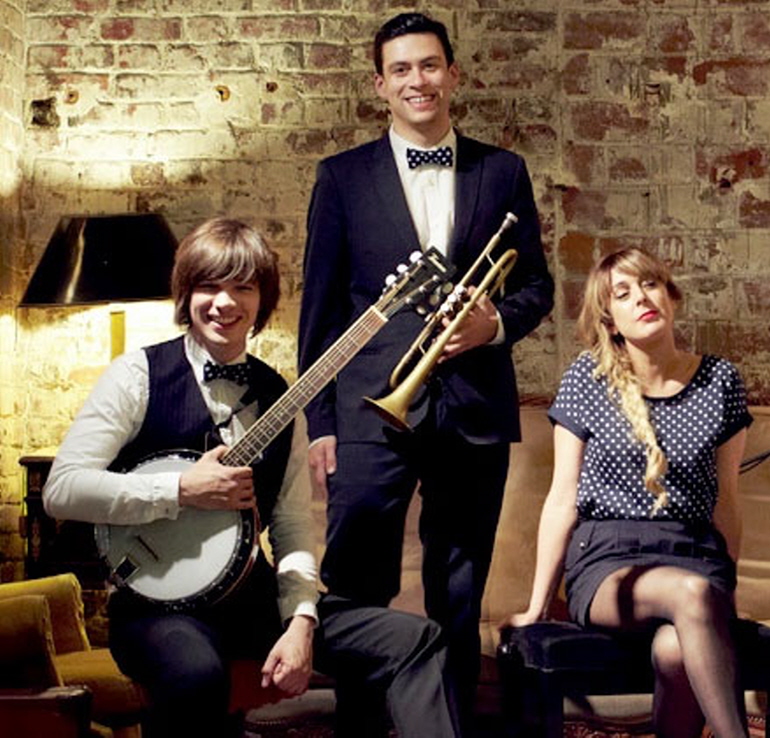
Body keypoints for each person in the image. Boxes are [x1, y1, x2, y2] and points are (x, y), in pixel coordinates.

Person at [44, 218, 459, 738]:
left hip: (252, 601)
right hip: (156, 609)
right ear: (186, 293)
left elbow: (292, 528)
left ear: (262, 301)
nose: (225, 303)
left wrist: (301, 623)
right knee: (196, 673)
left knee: (413, 639)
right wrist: (178, 489)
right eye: (208, 286)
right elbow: (62, 489)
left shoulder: (282, 398)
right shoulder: (137, 376)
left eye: (243, 287)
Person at [297, 11, 555, 723]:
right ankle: (360, 729)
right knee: (356, 582)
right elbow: (319, 310)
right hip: (368, 409)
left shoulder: (502, 171)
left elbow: (537, 285)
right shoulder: (342, 177)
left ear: (454, 74)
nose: (419, 80)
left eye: (430, 65)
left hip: (472, 407)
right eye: (402, 69)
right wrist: (321, 422)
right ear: (380, 85)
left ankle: (450, 726)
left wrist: (493, 325)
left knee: (460, 589)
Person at [505, 247, 754, 738]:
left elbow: (727, 500)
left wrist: (727, 596)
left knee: (675, 650)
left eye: (650, 284)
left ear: (672, 298)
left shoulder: (720, 381)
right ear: (610, 321)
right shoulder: (587, 380)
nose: (641, 298)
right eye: (623, 293)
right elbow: (563, 497)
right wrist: (537, 606)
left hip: (695, 556)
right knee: (691, 593)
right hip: (608, 564)